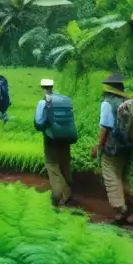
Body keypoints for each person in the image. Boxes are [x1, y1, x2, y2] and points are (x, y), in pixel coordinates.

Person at [90, 73, 133, 224]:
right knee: (122, 174)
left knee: (111, 175)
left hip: (113, 147)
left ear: (109, 88)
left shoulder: (108, 103)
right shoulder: (128, 102)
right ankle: (129, 202)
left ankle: (121, 208)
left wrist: (97, 147)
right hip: (128, 145)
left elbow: (105, 127)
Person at [34, 78, 77, 206]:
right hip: (66, 138)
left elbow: (38, 123)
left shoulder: (43, 102)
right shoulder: (65, 100)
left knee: (52, 166)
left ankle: (58, 196)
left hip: (51, 139)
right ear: (52, 86)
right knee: (64, 164)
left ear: (42, 87)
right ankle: (68, 195)